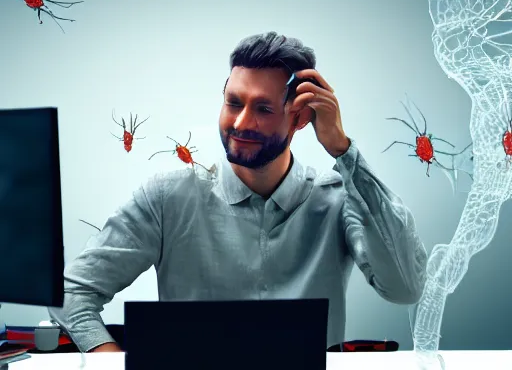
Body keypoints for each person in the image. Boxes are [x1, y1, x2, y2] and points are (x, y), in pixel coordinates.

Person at [48, 32, 427, 353]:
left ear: (299, 116)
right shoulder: (166, 197)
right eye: (234, 103)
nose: (242, 122)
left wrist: (343, 150)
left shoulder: (341, 199)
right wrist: (115, 363)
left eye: (263, 108)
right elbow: (71, 293)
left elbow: (405, 288)